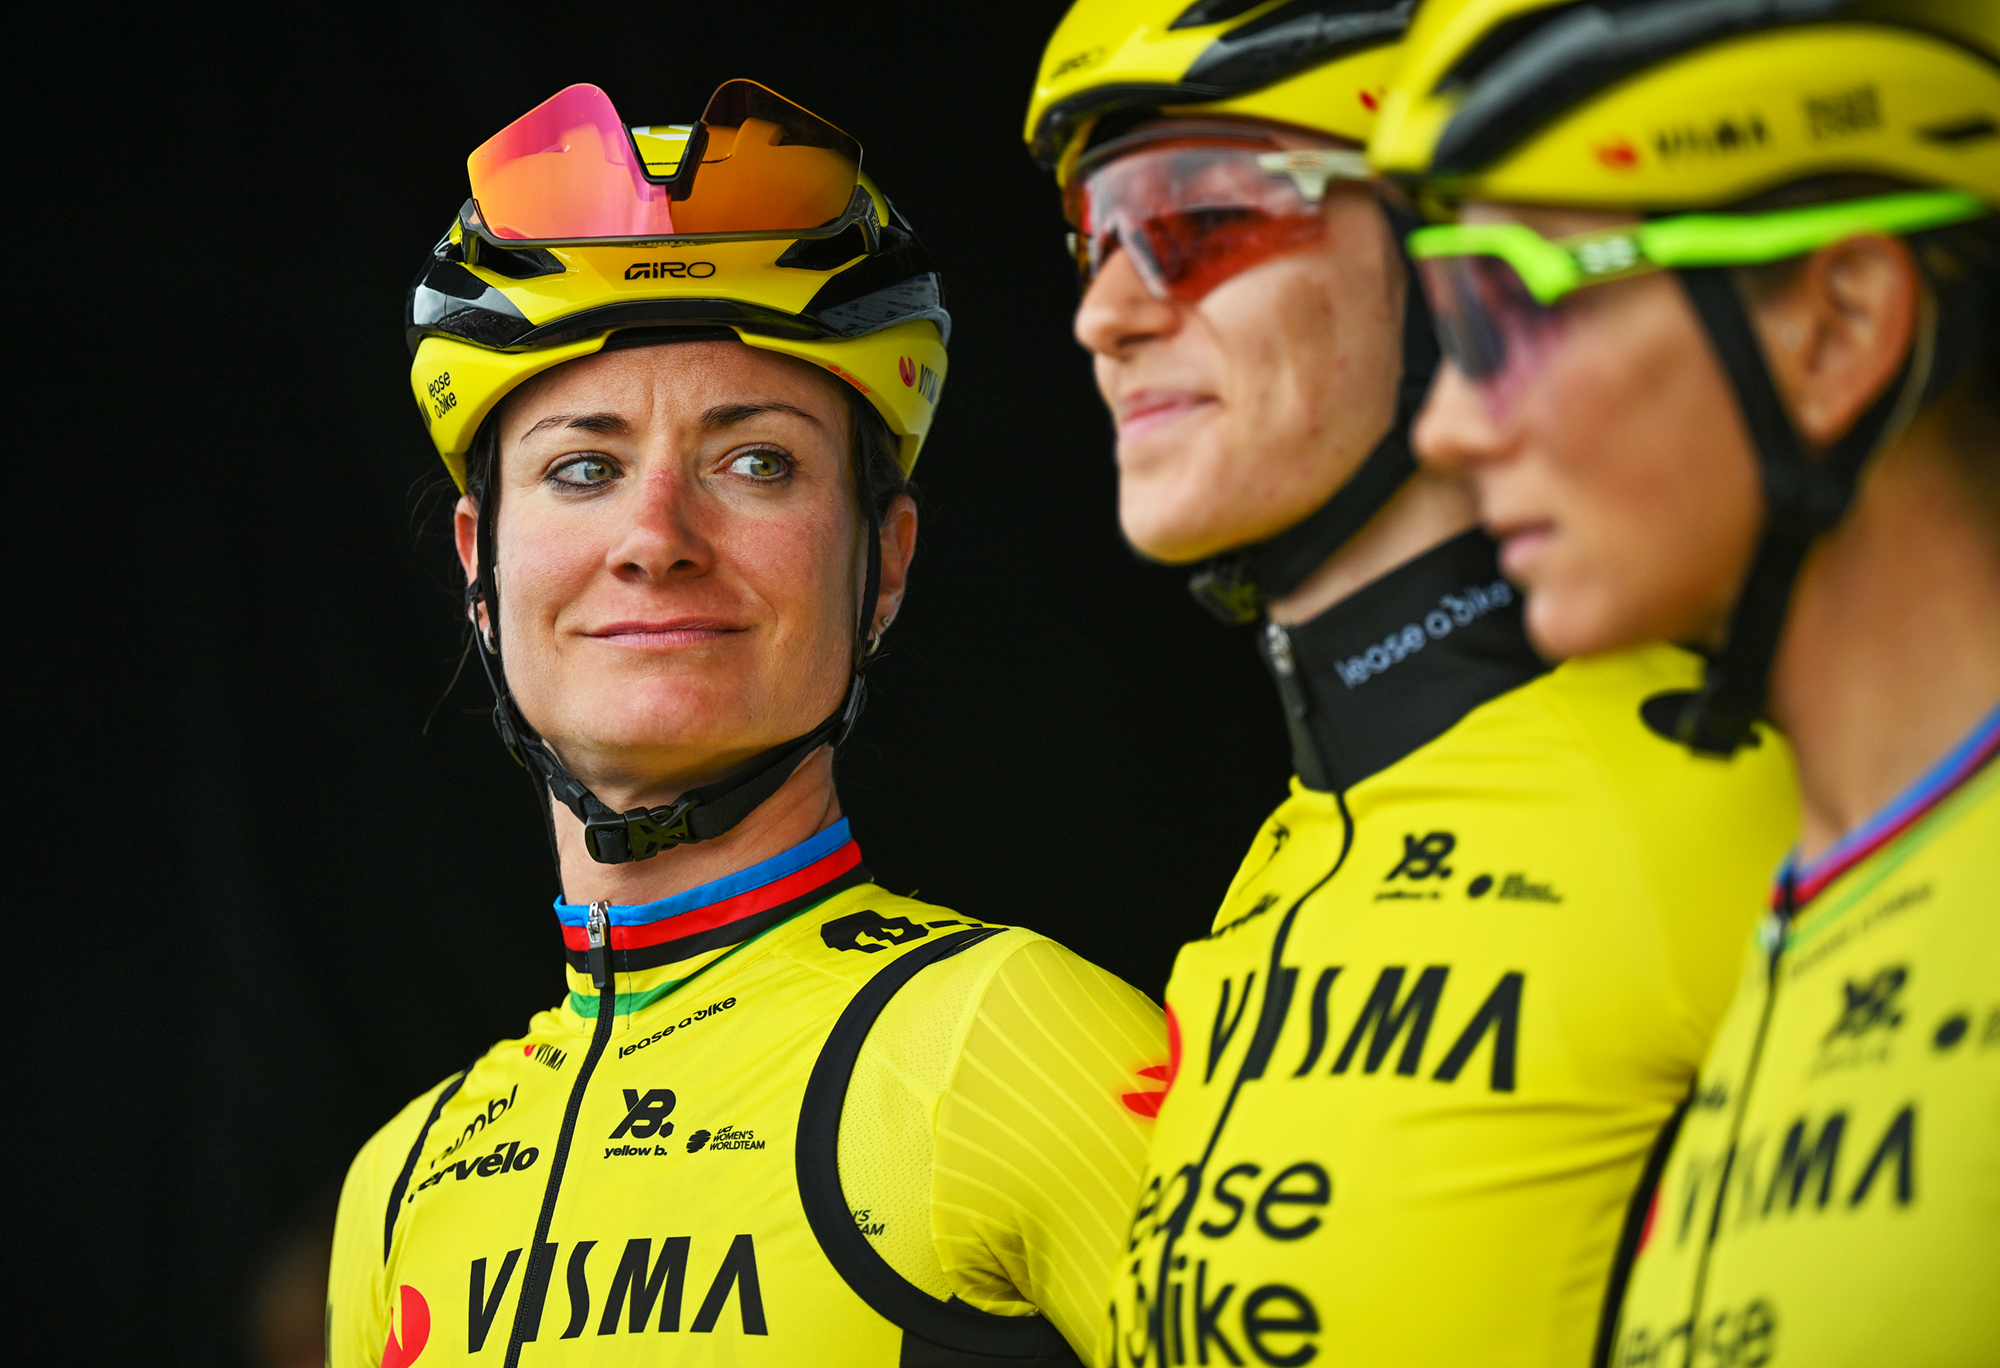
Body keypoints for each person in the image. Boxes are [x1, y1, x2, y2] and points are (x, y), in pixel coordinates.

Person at [325, 80, 1167, 1368]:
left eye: (757, 461)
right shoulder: (400, 1185)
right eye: (583, 468)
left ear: (883, 565)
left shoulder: (1008, 1041)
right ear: (479, 567)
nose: (656, 539)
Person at [1022, 4, 1802, 1365]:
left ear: (1448, 273)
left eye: (1197, 216)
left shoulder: (1726, 802)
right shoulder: (1286, 857)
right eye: (1097, 230)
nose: (1106, 311)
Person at [1379, 0, 2000, 1360]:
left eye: (1507, 306)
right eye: (1442, 320)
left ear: (1838, 329)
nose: (1446, 422)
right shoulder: (1808, 907)